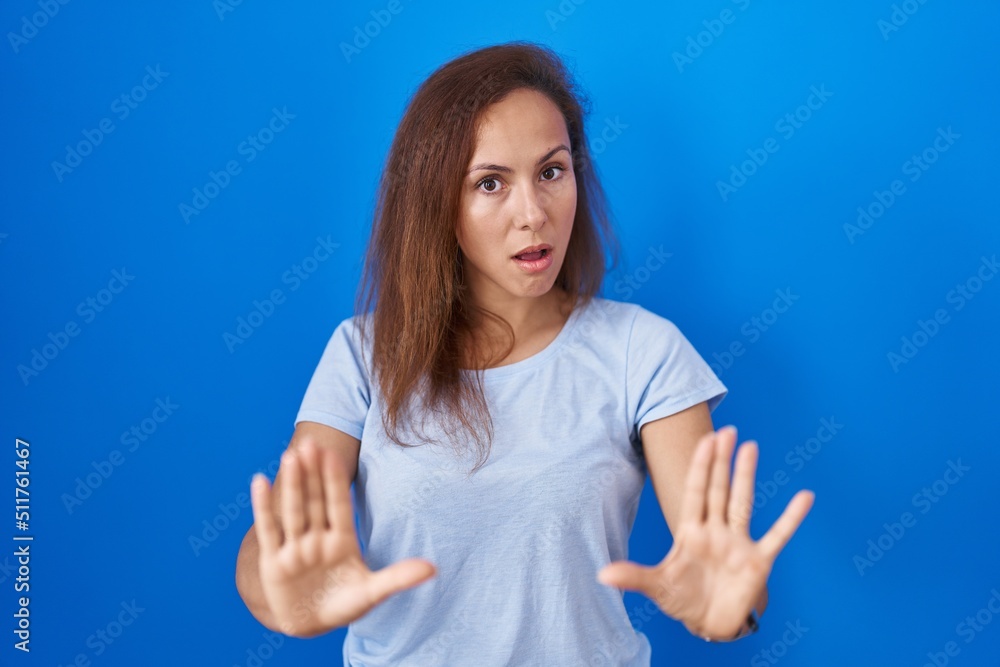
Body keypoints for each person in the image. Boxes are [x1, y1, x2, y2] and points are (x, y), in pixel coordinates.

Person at [234, 41, 815, 666]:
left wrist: (730, 612)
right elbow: (273, 547)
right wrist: (282, 596)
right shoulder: (362, 354)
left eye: (551, 171)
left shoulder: (641, 350)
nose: (533, 214)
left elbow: (715, 567)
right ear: (437, 205)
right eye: (490, 183)